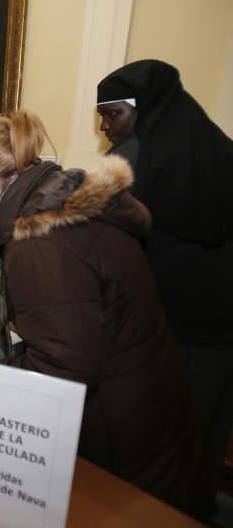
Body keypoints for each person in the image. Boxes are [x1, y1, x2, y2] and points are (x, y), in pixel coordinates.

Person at [0, 111, 201, 512]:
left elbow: (62, 368)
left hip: (122, 426)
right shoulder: (58, 201)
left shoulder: (38, 239)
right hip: (146, 393)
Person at [97, 59, 233, 521]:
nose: (105, 125)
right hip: (203, 329)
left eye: (113, 113)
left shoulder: (142, 159)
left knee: (168, 435)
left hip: (188, 326)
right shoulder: (215, 150)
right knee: (197, 434)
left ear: (145, 109)